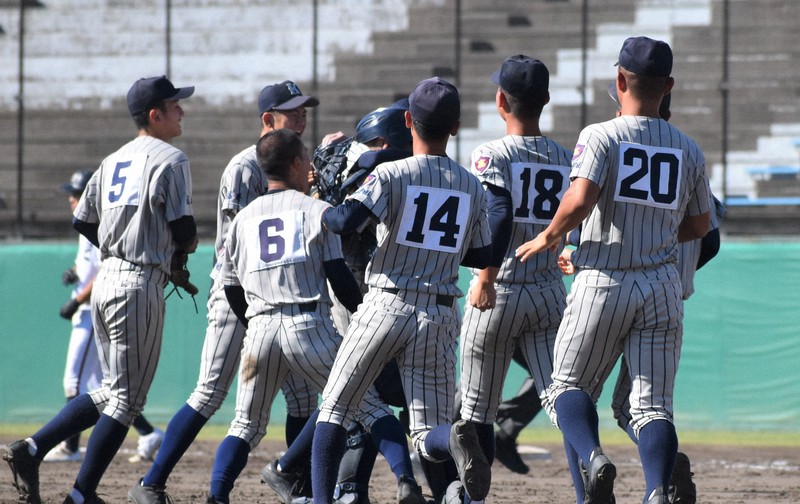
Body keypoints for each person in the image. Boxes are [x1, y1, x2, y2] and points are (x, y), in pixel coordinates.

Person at [516, 36, 711, 504]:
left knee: (566, 386)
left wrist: (549, 236)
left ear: (620, 80)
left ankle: (594, 458)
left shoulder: (601, 135)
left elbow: (580, 199)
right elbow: (701, 225)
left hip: (604, 280)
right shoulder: (689, 148)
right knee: (651, 408)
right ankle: (657, 491)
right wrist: (656, 238)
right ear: (668, 86)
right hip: (661, 285)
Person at [3, 75, 196, 504]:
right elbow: (184, 231)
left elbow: (82, 220)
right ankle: (81, 495)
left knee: (111, 390)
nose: (182, 110)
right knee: (128, 400)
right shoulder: (172, 158)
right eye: (175, 105)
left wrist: (120, 242)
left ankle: (32, 449)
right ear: (155, 114)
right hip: (138, 282)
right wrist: (172, 250)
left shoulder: (112, 160)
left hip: (107, 278)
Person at [128, 80, 321, 504]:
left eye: (304, 111)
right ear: (267, 119)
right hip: (238, 296)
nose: (302, 118)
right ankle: (151, 483)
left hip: (282, 300)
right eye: (292, 112)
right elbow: (240, 244)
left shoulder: (300, 166)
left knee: (304, 399)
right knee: (210, 392)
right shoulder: (245, 167)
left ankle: (298, 484)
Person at [311, 77, 493, 504]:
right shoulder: (471, 185)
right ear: (456, 126)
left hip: (386, 303)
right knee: (427, 432)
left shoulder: (390, 173)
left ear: (409, 120)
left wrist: (324, 204)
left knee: (335, 408)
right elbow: (481, 253)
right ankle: (453, 437)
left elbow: (344, 222)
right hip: (439, 312)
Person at [204, 128, 395, 504]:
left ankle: (217, 496)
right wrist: (364, 315)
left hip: (260, 328)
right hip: (308, 325)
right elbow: (339, 277)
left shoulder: (243, 218)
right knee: (367, 406)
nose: (310, 164)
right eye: (306, 156)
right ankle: (405, 480)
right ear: (294, 163)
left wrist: (254, 323)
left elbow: (230, 287)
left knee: (244, 426)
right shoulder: (315, 210)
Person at [455, 54, 572, 501]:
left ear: (501, 101)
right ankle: (590, 466)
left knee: (476, 411)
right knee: (565, 395)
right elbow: (576, 218)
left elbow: (499, 215)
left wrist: (485, 274)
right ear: (546, 99)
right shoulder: (567, 156)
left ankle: (473, 496)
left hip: (499, 288)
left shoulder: (490, 152)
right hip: (547, 291)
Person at [46, 170, 164, 466]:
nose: (71, 199)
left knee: (74, 380)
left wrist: (76, 300)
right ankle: (148, 433)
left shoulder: (100, 225)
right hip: (88, 309)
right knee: (104, 386)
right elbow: (86, 263)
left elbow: (103, 273)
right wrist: (74, 272)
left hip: (90, 311)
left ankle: (70, 447)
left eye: (76, 193)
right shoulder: (85, 226)